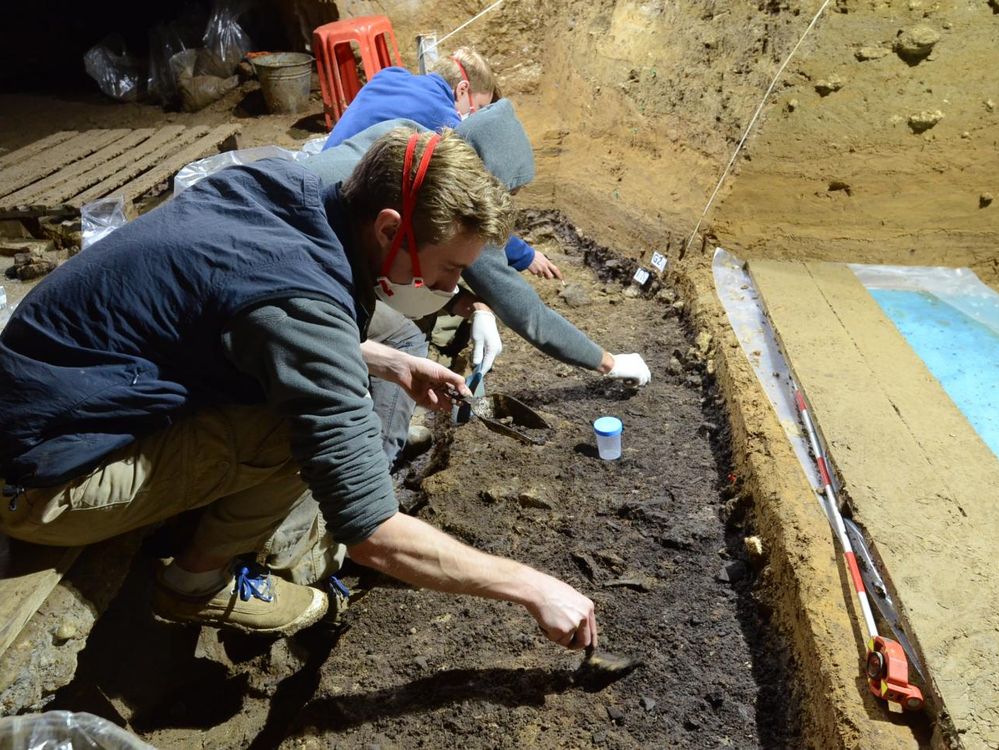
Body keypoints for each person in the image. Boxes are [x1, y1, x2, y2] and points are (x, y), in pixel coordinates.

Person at [0, 128, 598, 650]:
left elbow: (253, 315)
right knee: (299, 432)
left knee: (312, 398)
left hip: (51, 390)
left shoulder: (289, 190)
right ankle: (196, 583)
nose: (449, 288)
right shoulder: (303, 304)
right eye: (447, 269)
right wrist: (533, 586)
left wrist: (390, 361)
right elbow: (372, 533)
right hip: (40, 474)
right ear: (390, 227)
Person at [302, 101, 652, 466]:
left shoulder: (412, 147)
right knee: (402, 337)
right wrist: (609, 362)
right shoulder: (451, 211)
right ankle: (380, 457)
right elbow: (528, 313)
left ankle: (387, 428)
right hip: (312, 273)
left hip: (311, 243)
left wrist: (476, 305)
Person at [324, 48, 563, 282]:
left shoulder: (390, 75)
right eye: (477, 108)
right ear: (462, 90)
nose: (473, 117)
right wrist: (525, 256)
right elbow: (474, 209)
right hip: (348, 223)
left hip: (328, 175)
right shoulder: (444, 127)